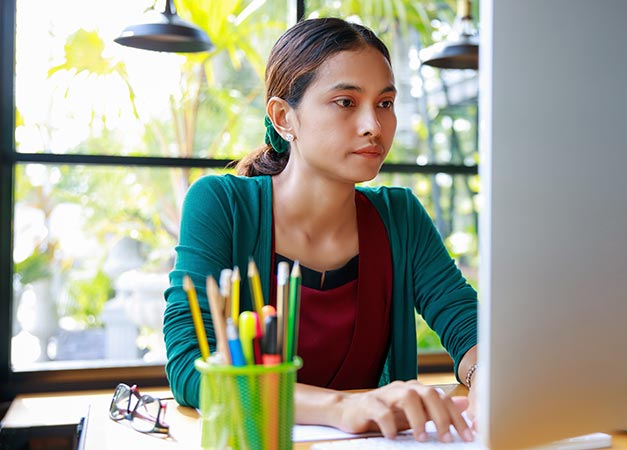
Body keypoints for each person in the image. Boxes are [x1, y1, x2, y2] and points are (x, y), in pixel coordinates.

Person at [163, 17, 479, 443]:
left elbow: (468, 325)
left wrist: (485, 375)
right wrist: (341, 408)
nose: (374, 125)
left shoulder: (399, 216)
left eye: (385, 103)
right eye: (346, 102)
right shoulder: (222, 205)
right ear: (283, 117)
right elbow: (191, 366)